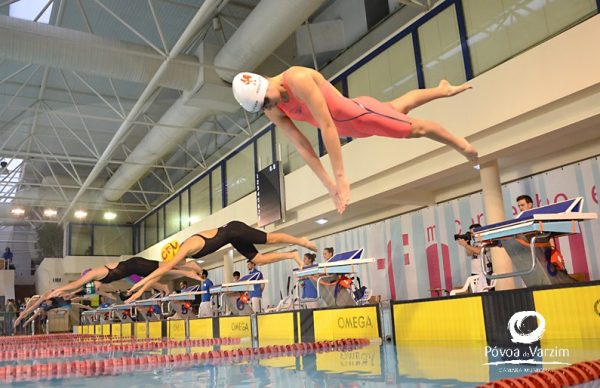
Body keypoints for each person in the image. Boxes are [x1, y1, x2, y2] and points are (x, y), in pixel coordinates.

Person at [232, 67, 478, 214]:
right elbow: (302, 145)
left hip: (360, 115)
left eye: (266, 100)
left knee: (417, 129)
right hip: (352, 128)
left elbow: (326, 123)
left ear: (263, 83)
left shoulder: (297, 79)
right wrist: (329, 186)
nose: (269, 106)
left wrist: (340, 176)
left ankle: (460, 144)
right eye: (262, 107)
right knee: (397, 107)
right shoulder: (272, 109)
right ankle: (442, 89)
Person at [126, 220, 317, 302]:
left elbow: (163, 269)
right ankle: (292, 254)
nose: (176, 263)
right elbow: (163, 271)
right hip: (233, 238)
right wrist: (140, 289)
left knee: (270, 238)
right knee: (260, 259)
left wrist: (139, 286)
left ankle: (301, 241)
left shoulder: (187, 247)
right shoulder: (185, 258)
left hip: (235, 230)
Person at [47, 256, 202, 299]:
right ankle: (186, 269)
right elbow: (82, 286)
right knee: (165, 270)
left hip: (136, 265)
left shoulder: (94, 274)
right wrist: (70, 293)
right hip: (134, 269)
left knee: (167, 266)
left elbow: (78, 284)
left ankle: (190, 265)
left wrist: (61, 289)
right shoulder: (97, 279)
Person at [457, 223, 492, 291]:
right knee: (476, 292)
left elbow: (479, 251)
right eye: (471, 232)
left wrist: (466, 245)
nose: (471, 234)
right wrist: (467, 243)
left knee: (486, 291)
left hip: (485, 272)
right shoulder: (475, 242)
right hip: (475, 272)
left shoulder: (486, 240)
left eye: (473, 232)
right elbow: (469, 253)